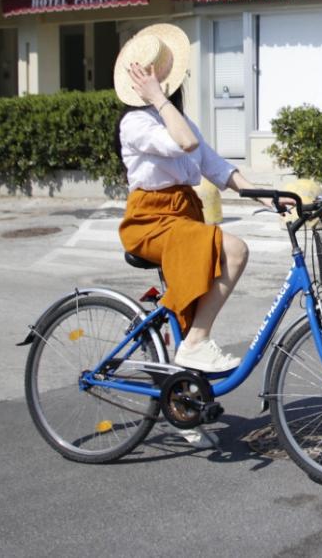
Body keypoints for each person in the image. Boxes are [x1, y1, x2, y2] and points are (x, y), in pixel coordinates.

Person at [114, 22, 277, 382]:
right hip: (150, 222)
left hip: (184, 216)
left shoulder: (177, 118)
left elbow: (214, 165)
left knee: (207, 277)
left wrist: (268, 198)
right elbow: (185, 144)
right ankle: (196, 342)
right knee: (234, 250)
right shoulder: (135, 123)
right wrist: (157, 97)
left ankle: (184, 389)